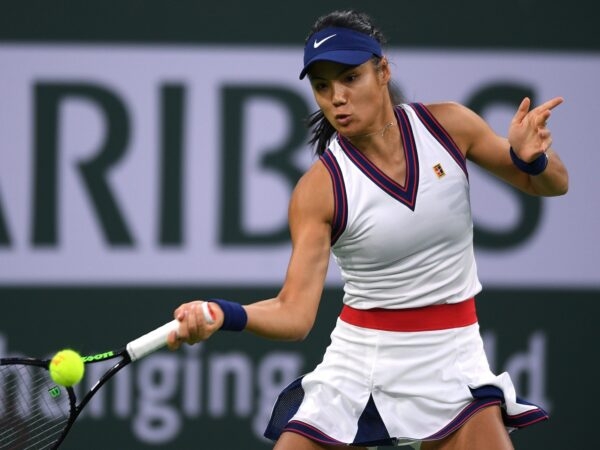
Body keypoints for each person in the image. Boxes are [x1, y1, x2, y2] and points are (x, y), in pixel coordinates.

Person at [167, 9, 569, 450]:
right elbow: (294, 314)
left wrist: (534, 159)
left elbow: (550, 185)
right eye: (322, 86)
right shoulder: (319, 190)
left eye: (350, 78)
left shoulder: (450, 127)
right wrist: (224, 314)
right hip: (360, 365)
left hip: (453, 360)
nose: (337, 97)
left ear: (383, 72)